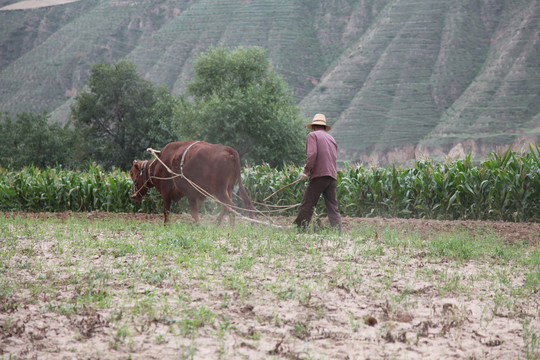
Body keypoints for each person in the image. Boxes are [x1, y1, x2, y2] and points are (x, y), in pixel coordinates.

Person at [294, 113, 342, 232]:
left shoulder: (312, 135)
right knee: (333, 207)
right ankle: (338, 232)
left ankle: (299, 230)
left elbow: (313, 154)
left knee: (307, 204)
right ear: (324, 127)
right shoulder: (331, 138)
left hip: (319, 176)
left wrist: (306, 171)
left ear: (314, 126)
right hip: (332, 176)